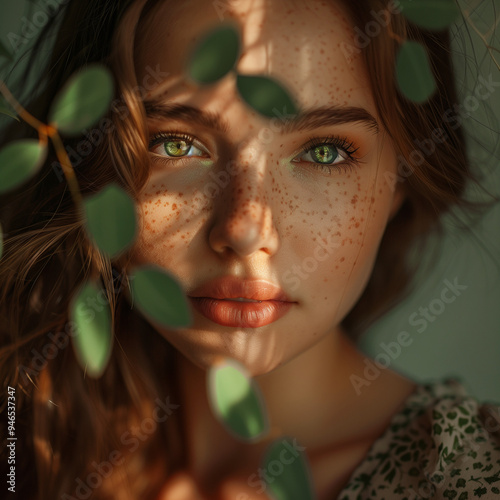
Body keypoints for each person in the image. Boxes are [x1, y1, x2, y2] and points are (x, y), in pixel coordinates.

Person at [0, 0, 499, 499]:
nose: (243, 229)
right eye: (176, 144)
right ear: (89, 165)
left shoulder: (469, 480)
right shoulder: (24, 444)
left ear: (401, 184)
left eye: (323, 153)